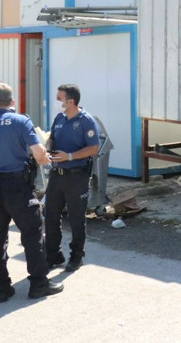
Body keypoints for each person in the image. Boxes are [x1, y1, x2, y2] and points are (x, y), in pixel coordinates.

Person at [0, 83, 64, 300]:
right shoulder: (20, 121)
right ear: (12, 101)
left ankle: (2, 288)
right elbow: (38, 152)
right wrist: (44, 158)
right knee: (33, 232)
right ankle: (39, 284)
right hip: (16, 186)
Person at [45, 84, 99, 272]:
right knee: (51, 216)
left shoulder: (86, 121)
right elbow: (52, 138)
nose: (56, 102)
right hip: (56, 175)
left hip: (76, 176)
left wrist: (69, 156)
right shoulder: (59, 118)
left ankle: (76, 256)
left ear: (70, 101)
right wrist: (47, 149)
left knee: (76, 219)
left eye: (59, 98)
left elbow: (93, 148)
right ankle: (52, 254)